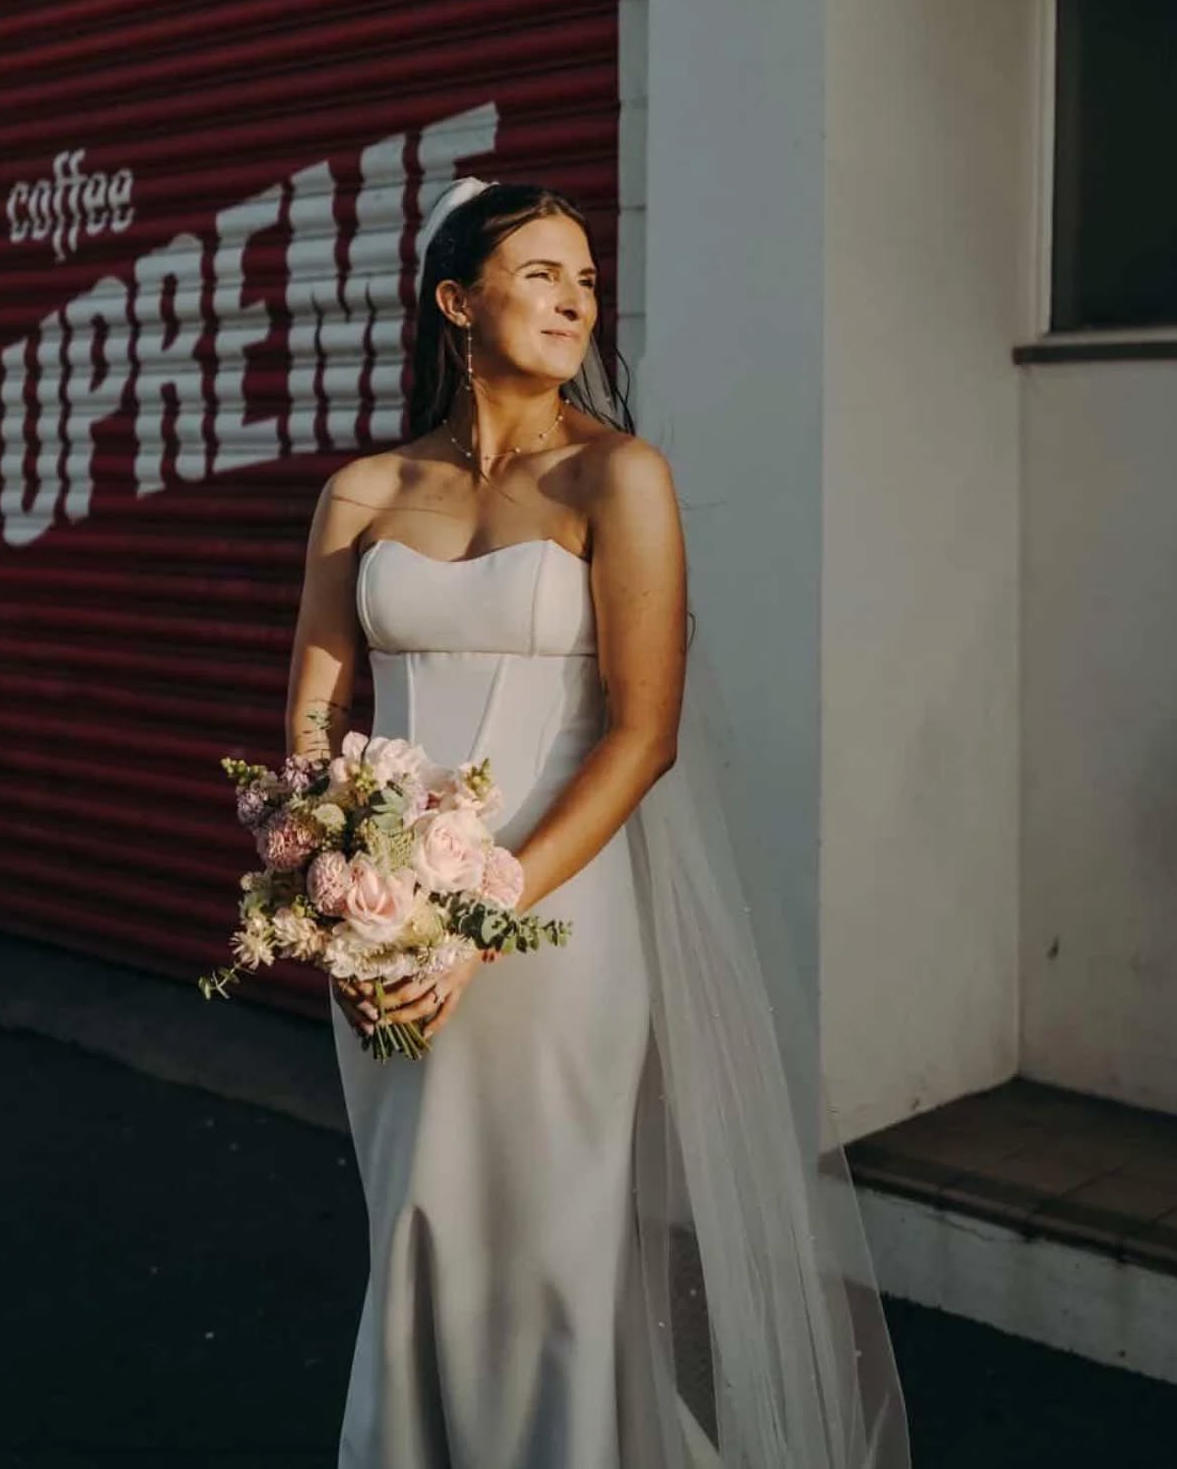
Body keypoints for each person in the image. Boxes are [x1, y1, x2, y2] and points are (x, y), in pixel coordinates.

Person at [284, 177, 912, 1469]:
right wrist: (345, 905)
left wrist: (475, 915)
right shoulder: (360, 493)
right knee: (419, 1233)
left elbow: (645, 731)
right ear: (457, 301)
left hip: (554, 928)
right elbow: (312, 725)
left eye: (586, 278)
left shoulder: (620, 480)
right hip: (392, 942)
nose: (577, 298)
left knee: (557, 1254)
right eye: (540, 274)